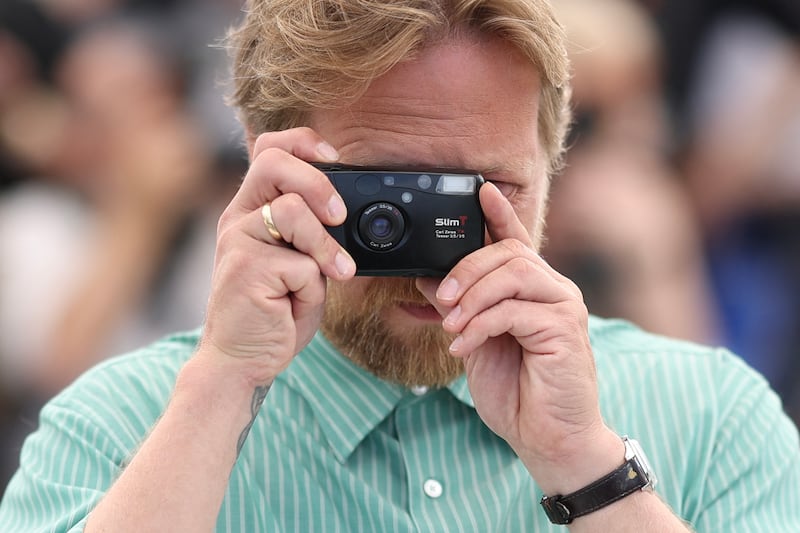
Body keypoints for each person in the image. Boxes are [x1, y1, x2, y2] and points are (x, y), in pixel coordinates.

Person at [1, 0, 798, 530]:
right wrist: (220, 387)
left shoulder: (711, 414)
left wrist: (590, 469)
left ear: (554, 167)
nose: (435, 262)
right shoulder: (119, 425)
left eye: (485, 194)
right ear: (267, 162)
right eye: (386, 201)